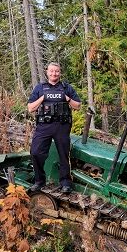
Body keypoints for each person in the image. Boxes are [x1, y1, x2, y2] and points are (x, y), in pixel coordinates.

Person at [27, 62, 81, 193]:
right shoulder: (40, 88)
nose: (54, 74)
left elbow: (77, 105)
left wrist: (67, 98)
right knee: (35, 152)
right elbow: (30, 108)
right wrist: (43, 98)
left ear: (60, 72)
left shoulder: (66, 87)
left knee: (64, 154)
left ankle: (66, 183)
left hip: (62, 126)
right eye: (51, 71)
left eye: (56, 71)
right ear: (47, 72)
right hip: (44, 126)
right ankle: (39, 181)